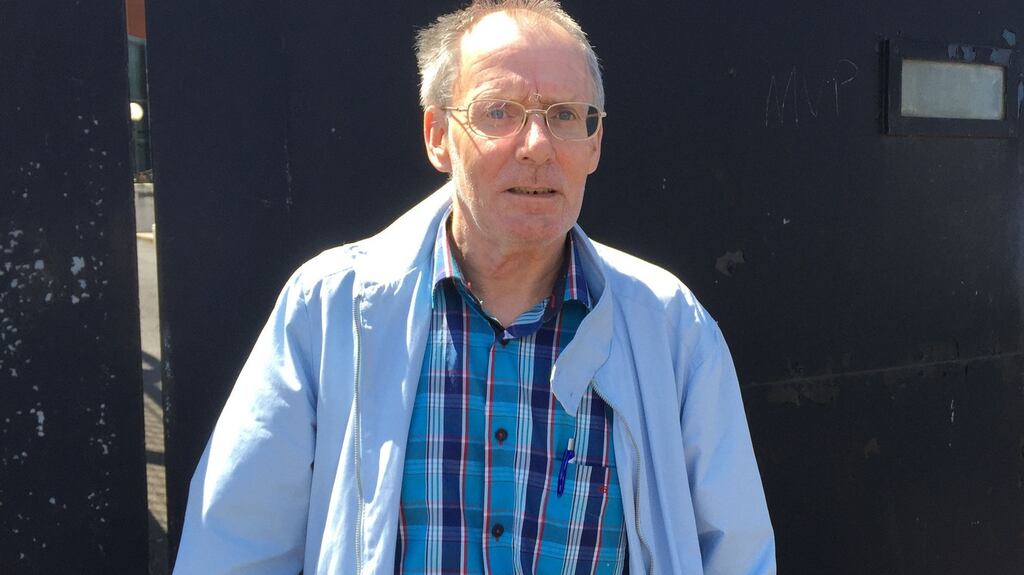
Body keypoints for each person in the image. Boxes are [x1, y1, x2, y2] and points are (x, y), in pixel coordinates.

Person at [174, 1, 775, 573]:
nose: (537, 147)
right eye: (499, 112)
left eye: (565, 115)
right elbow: (234, 547)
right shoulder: (330, 307)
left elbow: (735, 552)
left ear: (594, 143)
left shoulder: (669, 327)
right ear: (438, 136)